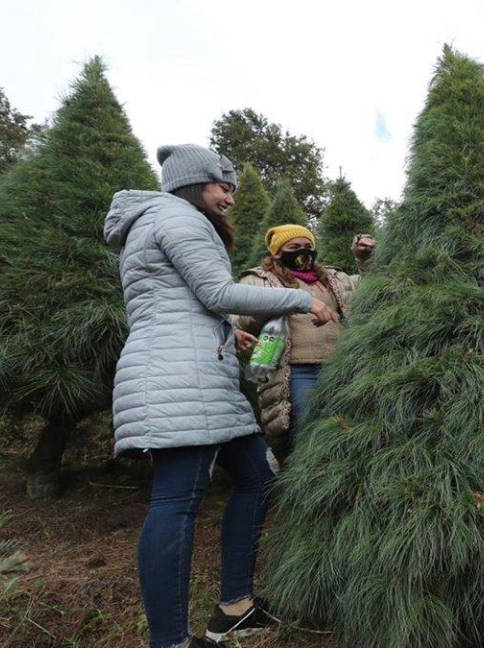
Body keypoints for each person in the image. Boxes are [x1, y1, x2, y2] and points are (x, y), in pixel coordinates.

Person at [104, 144, 339, 648]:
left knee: (258, 476)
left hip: (196, 373)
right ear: (193, 183)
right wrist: (303, 298)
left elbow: (178, 302)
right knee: (177, 499)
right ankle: (171, 640)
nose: (229, 197)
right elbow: (217, 292)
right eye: (222, 186)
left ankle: (235, 606)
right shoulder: (178, 218)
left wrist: (228, 332)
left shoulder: (158, 221)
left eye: (231, 187)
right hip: (179, 379)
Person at [233, 225, 375, 459]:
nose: (303, 252)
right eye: (294, 247)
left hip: (339, 367)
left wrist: (364, 259)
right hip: (297, 370)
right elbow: (241, 317)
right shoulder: (259, 279)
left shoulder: (332, 278)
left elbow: (371, 289)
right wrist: (287, 302)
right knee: (308, 430)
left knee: (344, 428)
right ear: (277, 252)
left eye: (308, 246)